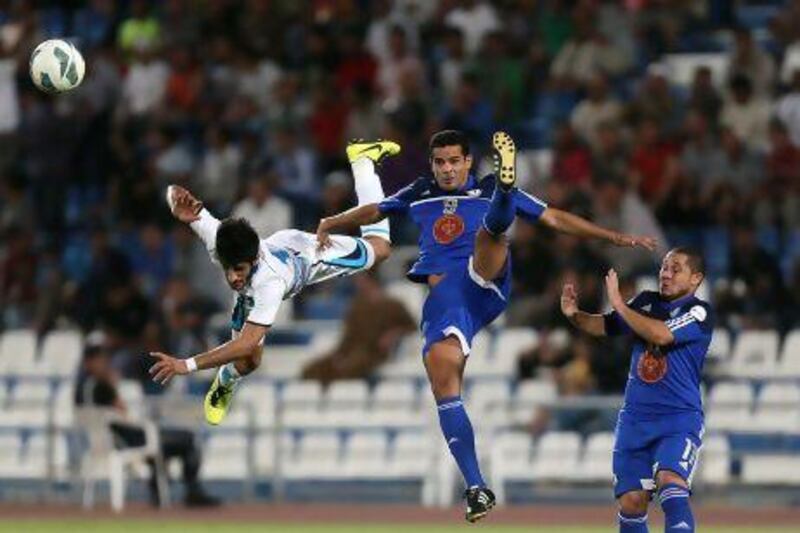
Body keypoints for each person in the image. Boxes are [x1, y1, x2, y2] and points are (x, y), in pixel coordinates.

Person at [316, 129, 655, 522]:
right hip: (448, 306)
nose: (446, 169)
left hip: (486, 278)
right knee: (444, 384)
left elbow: (555, 218)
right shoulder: (419, 191)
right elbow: (375, 211)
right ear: (432, 165)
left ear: (468, 162)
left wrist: (612, 236)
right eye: (439, 162)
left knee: (489, 235)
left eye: (454, 162)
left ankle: (507, 198)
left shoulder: (484, 188)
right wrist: (331, 221)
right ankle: (476, 487)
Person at [147, 141, 400, 426]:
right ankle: (230, 377)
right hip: (270, 263)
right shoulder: (220, 241)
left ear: (253, 259)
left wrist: (187, 364)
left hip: (305, 256)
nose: (232, 277)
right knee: (250, 363)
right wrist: (174, 201)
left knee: (380, 248)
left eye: (239, 269)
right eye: (228, 269)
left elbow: (246, 342)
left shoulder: (270, 283)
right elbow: (177, 195)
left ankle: (362, 160)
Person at [560, 247, 713, 533]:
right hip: (635, 421)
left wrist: (619, 303)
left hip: (677, 420)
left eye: (676, 268)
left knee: (671, 483)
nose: (666, 274)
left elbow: (661, 334)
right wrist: (575, 315)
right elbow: (604, 326)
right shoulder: (644, 302)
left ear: (696, 279)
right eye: (664, 268)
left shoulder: (699, 312)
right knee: (632, 502)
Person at [75, 336, 219, 507]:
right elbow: (123, 413)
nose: (105, 362)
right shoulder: (102, 386)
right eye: (100, 358)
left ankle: (158, 489)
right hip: (130, 440)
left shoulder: (80, 389)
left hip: (108, 442)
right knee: (188, 439)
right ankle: (191, 490)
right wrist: (113, 385)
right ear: (89, 362)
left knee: (164, 444)